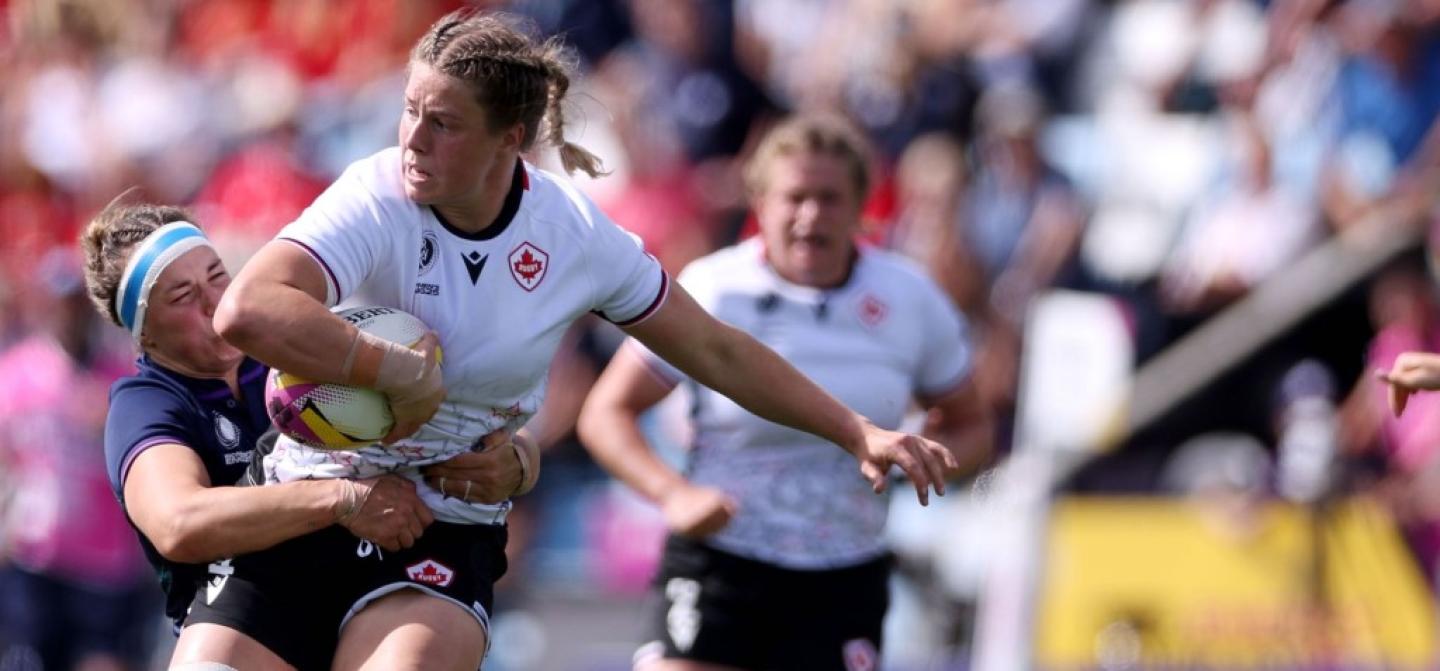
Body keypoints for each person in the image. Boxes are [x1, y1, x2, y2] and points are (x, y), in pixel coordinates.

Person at [212, 10, 959, 671]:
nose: (412, 138)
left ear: (511, 138)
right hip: (308, 495)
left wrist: (854, 429)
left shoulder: (573, 235)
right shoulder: (375, 194)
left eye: (443, 122)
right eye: (410, 110)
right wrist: (393, 371)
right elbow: (248, 309)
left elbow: (717, 350)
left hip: (441, 529)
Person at [576, 114, 992, 671]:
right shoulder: (716, 288)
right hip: (723, 559)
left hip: (843, 573)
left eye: (830, 198)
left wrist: (926, 460)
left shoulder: (908, 298)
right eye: (794, 197)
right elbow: (606, 412)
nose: (810, 216)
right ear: (760, 202)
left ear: (863, 205)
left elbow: (974, 426)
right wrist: (672, 494)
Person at [79, 200, 443, 670]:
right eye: (182, 296)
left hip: (364, 593)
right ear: (145, 334)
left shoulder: (291, 352)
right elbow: (179, 523)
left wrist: (513, 460)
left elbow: (439, 419)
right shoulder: (145, 404)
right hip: (246, 621)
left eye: (217, 276)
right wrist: (344, 500)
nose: (215, 303)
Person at [0, 249, 156, 671]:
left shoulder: (120, 378)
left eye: (75, 304)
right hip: (36, 558)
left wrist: (110, 426)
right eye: (58, 303)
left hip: (106, 565)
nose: (67, 315)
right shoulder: (15, 374)